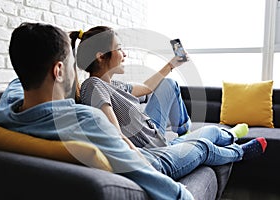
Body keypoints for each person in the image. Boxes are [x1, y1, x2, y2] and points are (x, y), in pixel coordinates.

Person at [0, 22, 265, 200]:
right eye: (71, 61)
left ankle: (221, 134)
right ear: (59, 70)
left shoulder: (6, 110)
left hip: (150, 140)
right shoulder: (89, 117)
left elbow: (18, 82)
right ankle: (236, 148)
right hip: (150, 156)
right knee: (205, 142)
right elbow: (125, 149)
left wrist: (171, 64)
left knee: (208, 129)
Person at [71, 25, 267, 161]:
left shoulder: (115, 85)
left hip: (155, 135)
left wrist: (172, 64)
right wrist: (141, 161)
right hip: (154, 149)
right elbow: (114, 134)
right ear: (100, 56)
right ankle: (235, 147)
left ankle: (204, 131)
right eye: (120, 49)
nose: (125, 54)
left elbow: (147, 88)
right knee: (210, 137)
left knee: (169, 84)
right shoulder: (94, 85)